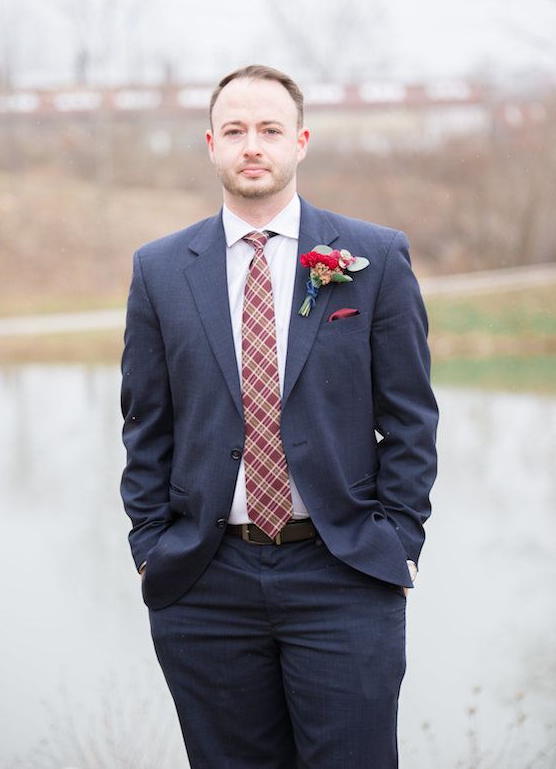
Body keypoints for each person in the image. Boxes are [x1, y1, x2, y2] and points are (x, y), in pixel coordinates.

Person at [120, 64, 438, 768]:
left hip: (344, 574)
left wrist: (399, 539)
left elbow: (411, 417)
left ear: (301, 140)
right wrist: (151, 547)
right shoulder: (160, 269)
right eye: (235, 130)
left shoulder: (373, 257)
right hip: (205, 582)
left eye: (268, 129)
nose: (252, 144)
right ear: (211, 144)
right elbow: (146, 428)